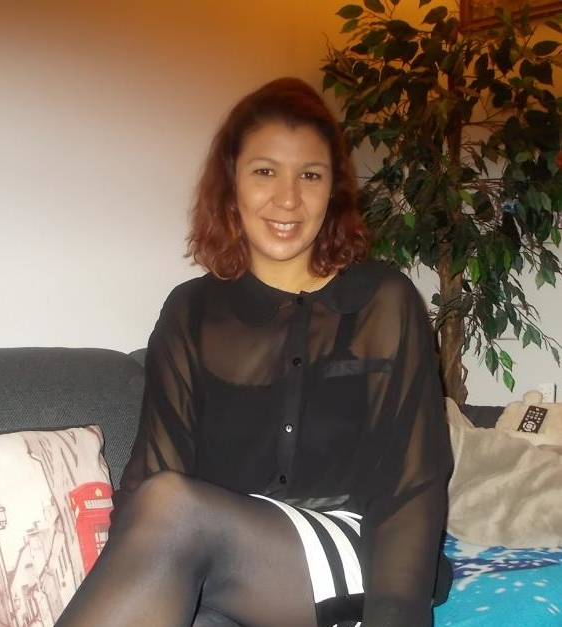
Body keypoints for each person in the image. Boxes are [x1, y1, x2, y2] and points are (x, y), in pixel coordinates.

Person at [55, 77, 453, 627]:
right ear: (231, 182)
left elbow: (413, 483)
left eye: (310, 175)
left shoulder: (383, 302)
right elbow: (155, 469)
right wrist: (132, 572)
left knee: (174, 509)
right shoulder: (191, 312)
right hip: (228, 571)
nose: (288, 199)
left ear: (333, 190)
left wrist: (396, 616)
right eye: (265, 171)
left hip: (363, 556)